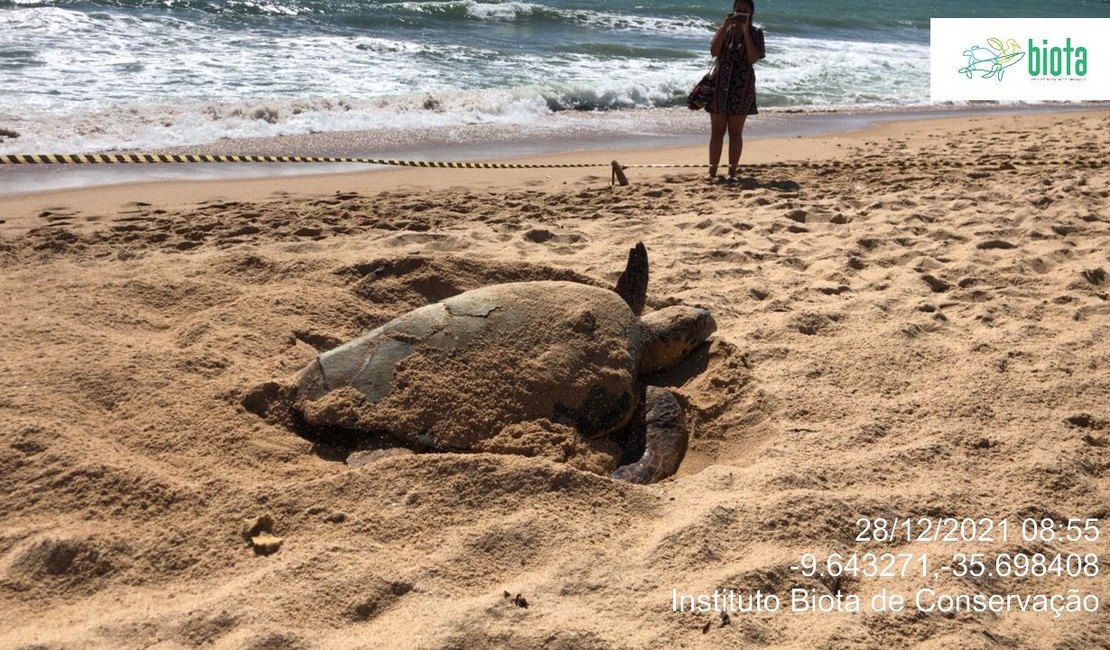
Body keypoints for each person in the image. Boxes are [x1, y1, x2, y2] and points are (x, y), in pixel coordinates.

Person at [706, 0, 765, 183]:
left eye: (744, 11)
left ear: (751, 13)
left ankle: (732, 173)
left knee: (735, 132)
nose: (740, 13)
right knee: (717, 131)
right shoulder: (725, 30)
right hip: (720, 84)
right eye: (738, 10)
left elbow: (753, 57)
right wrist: (725, 27)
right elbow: (714, 51)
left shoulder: (756, 33)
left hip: (742, 85)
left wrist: (746, 31)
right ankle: (712, 172)